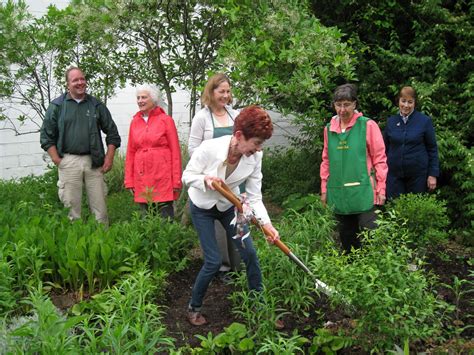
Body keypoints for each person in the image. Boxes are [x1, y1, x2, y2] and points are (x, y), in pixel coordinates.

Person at [182, 105, 279, 326]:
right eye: (255, 142)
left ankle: (259, 307)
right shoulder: (209, 148)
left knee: (250, 254)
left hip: (230, 208)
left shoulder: (255, 158)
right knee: (213, 261)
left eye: (261, 144)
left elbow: (254, 197)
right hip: (202, 207)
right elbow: (187, 176)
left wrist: (268, 224)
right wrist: (205, 180)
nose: (258, 148)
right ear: (238, 136)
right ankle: (193, 308)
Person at [40, 67, 121, 225]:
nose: (80, 83)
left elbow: (112, 133)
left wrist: (109, 158)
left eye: (82, 79)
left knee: (100, 211)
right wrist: (57, 160)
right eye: (75, 80)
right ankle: (77, 242)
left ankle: (103, 241)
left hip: (94, 162)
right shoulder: (57, 106)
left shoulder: (96, 105)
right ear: (67, 84)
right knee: (71, 210)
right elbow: (46, 136)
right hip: (68, 161)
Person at [320, 84, 388, 254]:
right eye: (338, 105)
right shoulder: (329, 129)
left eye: (346, 104)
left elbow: (380, 158)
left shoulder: (368, 125)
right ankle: (352, 271)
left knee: (371, 234)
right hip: (339, 191)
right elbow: (326, 160)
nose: (342, 110)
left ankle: (373, 272)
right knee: (347, 237)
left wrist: (381, 187)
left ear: (355, 104)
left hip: (365, 190)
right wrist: (324, 188)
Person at [188, 73, 241, 278]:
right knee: (218, 223)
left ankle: (239, 265)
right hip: (213, 180)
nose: (225, 96)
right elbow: (193, 148)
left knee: (236, 220)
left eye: (228, 92)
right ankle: (223, 267)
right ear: (211, 92)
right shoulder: (202, 117)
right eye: (221, 91)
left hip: (234, 175)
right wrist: (208, 167)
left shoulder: (234, 115)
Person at [124, 84, 182, 219]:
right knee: (146, 218)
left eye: (144, 97)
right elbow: (130, 153)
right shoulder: (134, 122)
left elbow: (175, 152)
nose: (140, 101)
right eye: (138, 98)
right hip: (142, 177)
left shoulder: (166, 120)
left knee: (165, 219)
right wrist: (129, 181)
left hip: (163, 177)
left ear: (154, 99)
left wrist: (176, 181)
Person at [384, 86, 440, 199]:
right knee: (395, 211)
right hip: (394, 177)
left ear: (415, 103)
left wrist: (433, 174)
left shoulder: (424, 121)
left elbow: (432, 149)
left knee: (416, 211)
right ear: (398, 101)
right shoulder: (391, 122)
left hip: (418, 177)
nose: (406, 105)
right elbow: (384, 149)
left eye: (410, 102)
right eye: (403, 101)